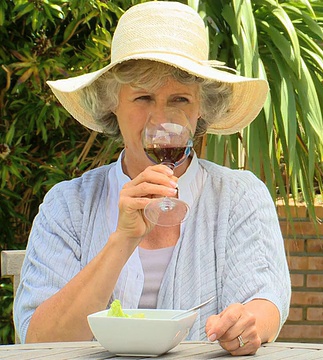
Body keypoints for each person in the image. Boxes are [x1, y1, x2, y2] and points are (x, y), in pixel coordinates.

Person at [12, 1, 291, 356]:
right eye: (143, 97)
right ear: (112, 102)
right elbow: (40, 342)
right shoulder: (68, 204)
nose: (161, 119)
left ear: (200, 107)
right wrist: (122, 240)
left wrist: (247, 325)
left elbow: (264, 303)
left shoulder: (239, 196)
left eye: (180, 99)